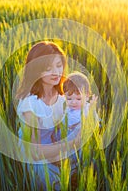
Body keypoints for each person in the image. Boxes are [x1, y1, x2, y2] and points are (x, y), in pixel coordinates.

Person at [15, 41, 81, 190]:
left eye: (59, 66)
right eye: (48, 68)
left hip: (55, 141)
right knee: (52, 180)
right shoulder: (30, 104)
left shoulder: (61, 94)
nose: (56, 72)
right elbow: (35, 152)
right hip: (37, 153)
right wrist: (70, 145)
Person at [51, 71, 97, 186]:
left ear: (86, 95)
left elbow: (93, 124)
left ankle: (73, 173)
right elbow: (61, 121)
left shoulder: (87, 110)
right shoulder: (67, 108)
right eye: (69, 98)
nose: (73, 102)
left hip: (78, 140)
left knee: (73, 159)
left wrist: (91, 111)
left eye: (78, 98)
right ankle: (64, 172)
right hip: (65, 137)